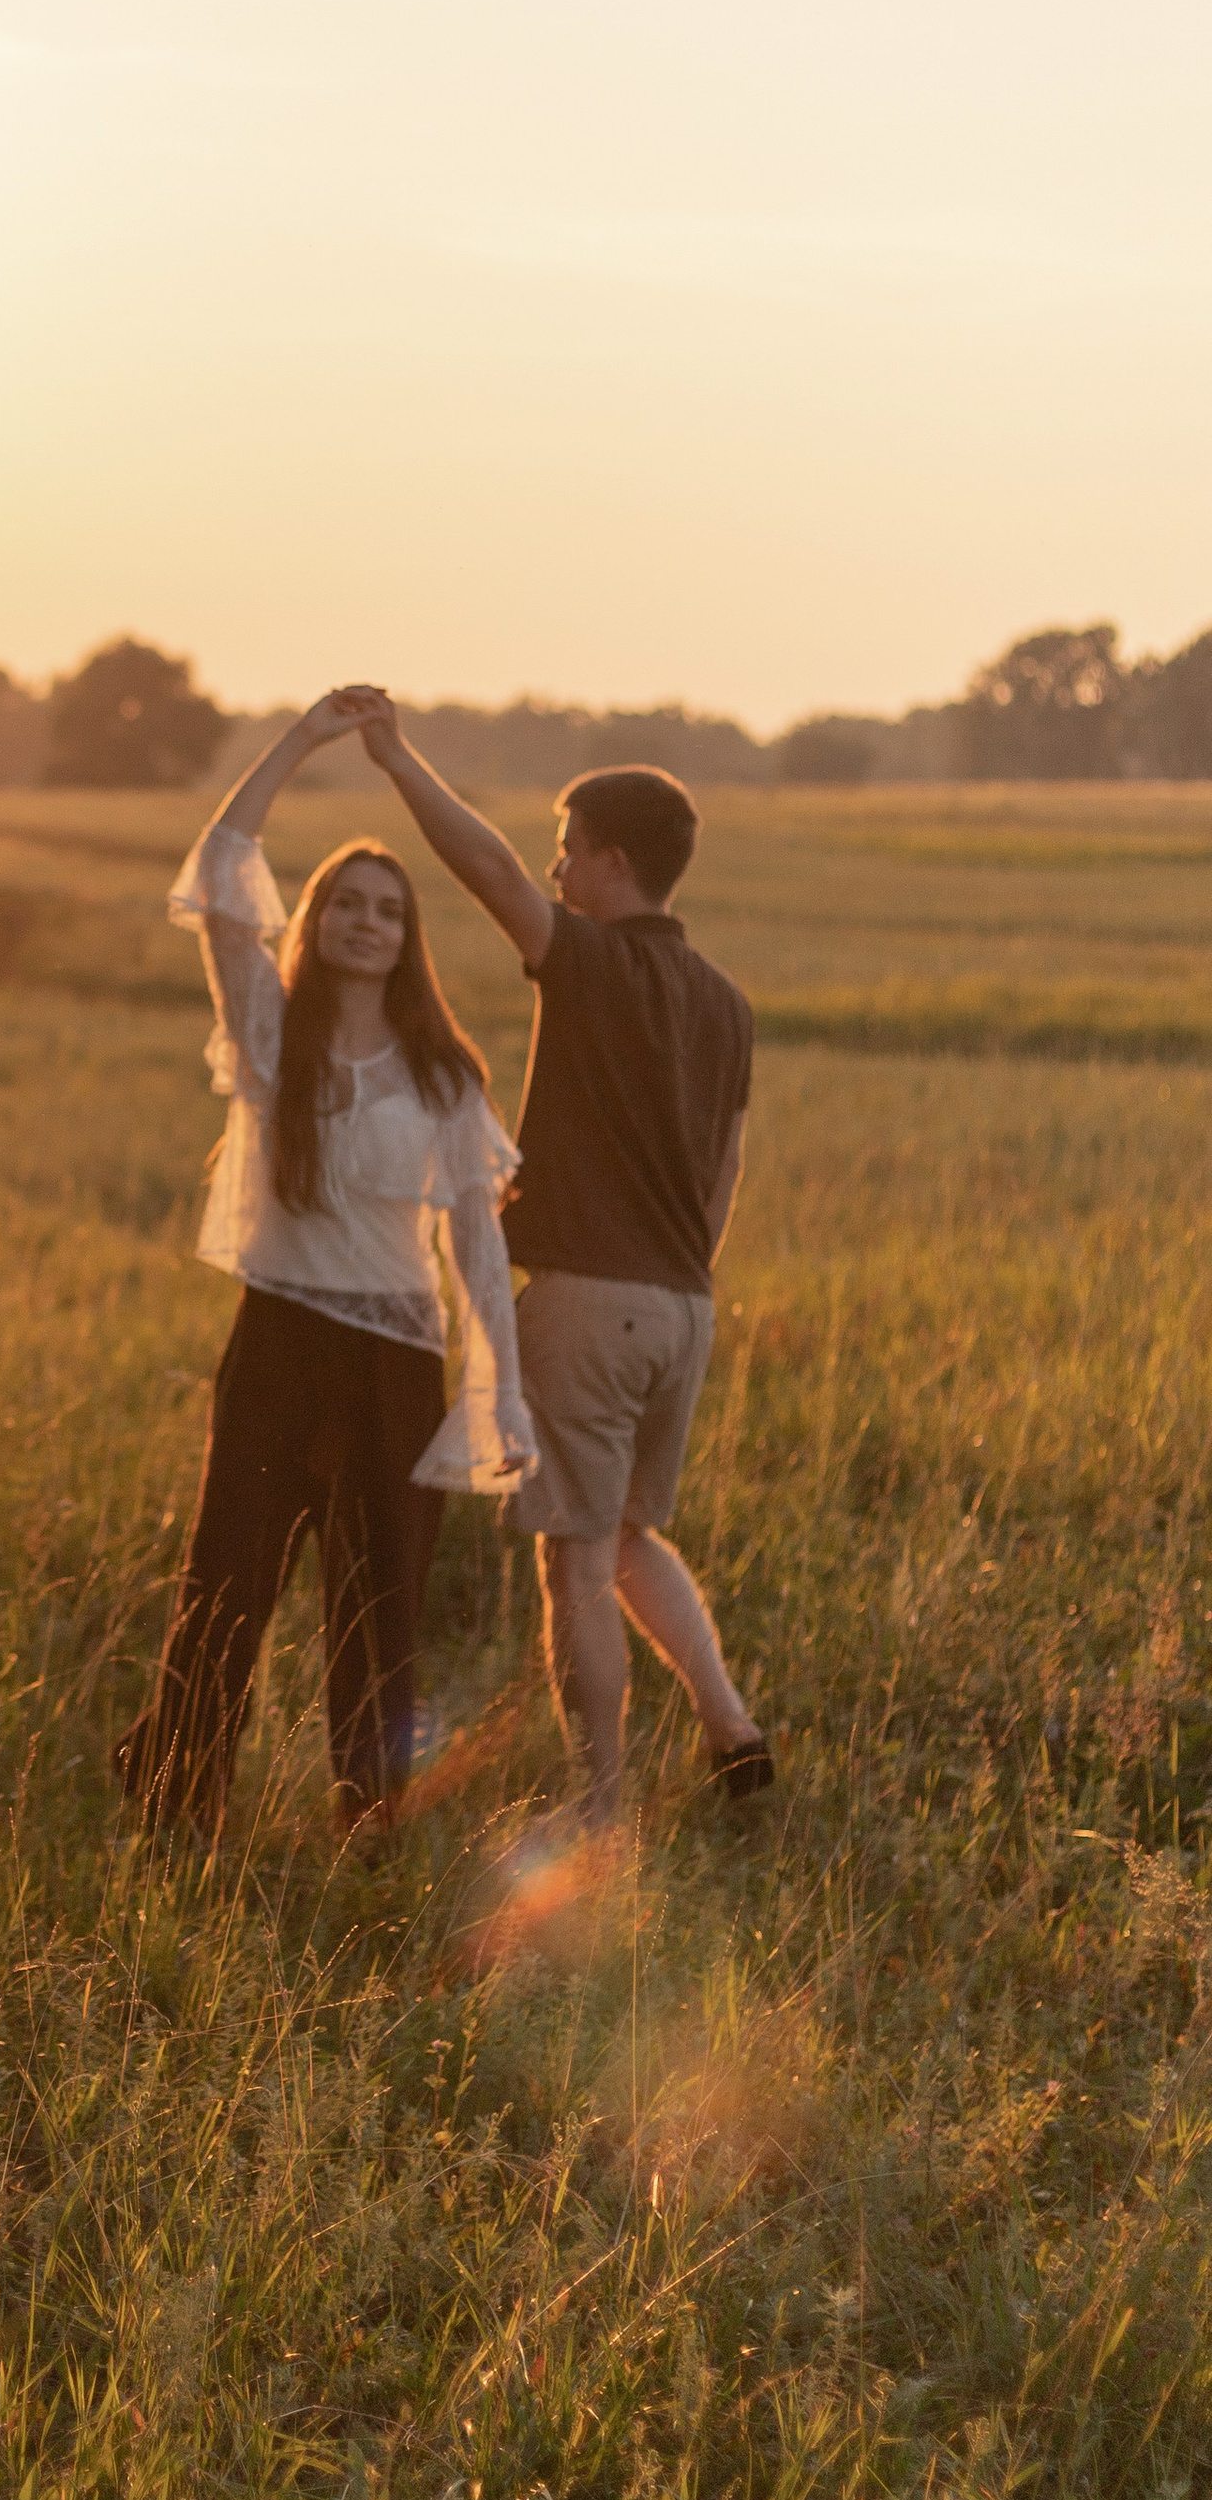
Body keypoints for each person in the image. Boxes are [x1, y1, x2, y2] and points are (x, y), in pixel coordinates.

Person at [117, 690, 537, 1850]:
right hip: (278, 1342)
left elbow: (476, 1242)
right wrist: (302, 741)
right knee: (226, 1591)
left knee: (379, 1607)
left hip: (395, 1360)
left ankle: (369, 1819)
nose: (365, 921)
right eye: (345, 903)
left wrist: (495, 1388)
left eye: (388, 910)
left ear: (408, 938)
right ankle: (176, 1807)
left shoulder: (445, 1076)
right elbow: (220, 871)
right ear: (318, 919)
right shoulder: (269, 1033)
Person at [345, 701, 768, 1821]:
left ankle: (600, 1807)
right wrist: (676, 1275)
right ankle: (731, 1728)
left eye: (567, 847)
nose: (552, 865)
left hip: (588, 1303)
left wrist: (394, 756)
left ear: (611, 863)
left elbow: (482, 866)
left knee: (573, 1566)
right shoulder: (726, 1003)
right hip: (685, 1307)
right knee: (628, 1536)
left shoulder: (586, 963)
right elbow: (725, 1172)